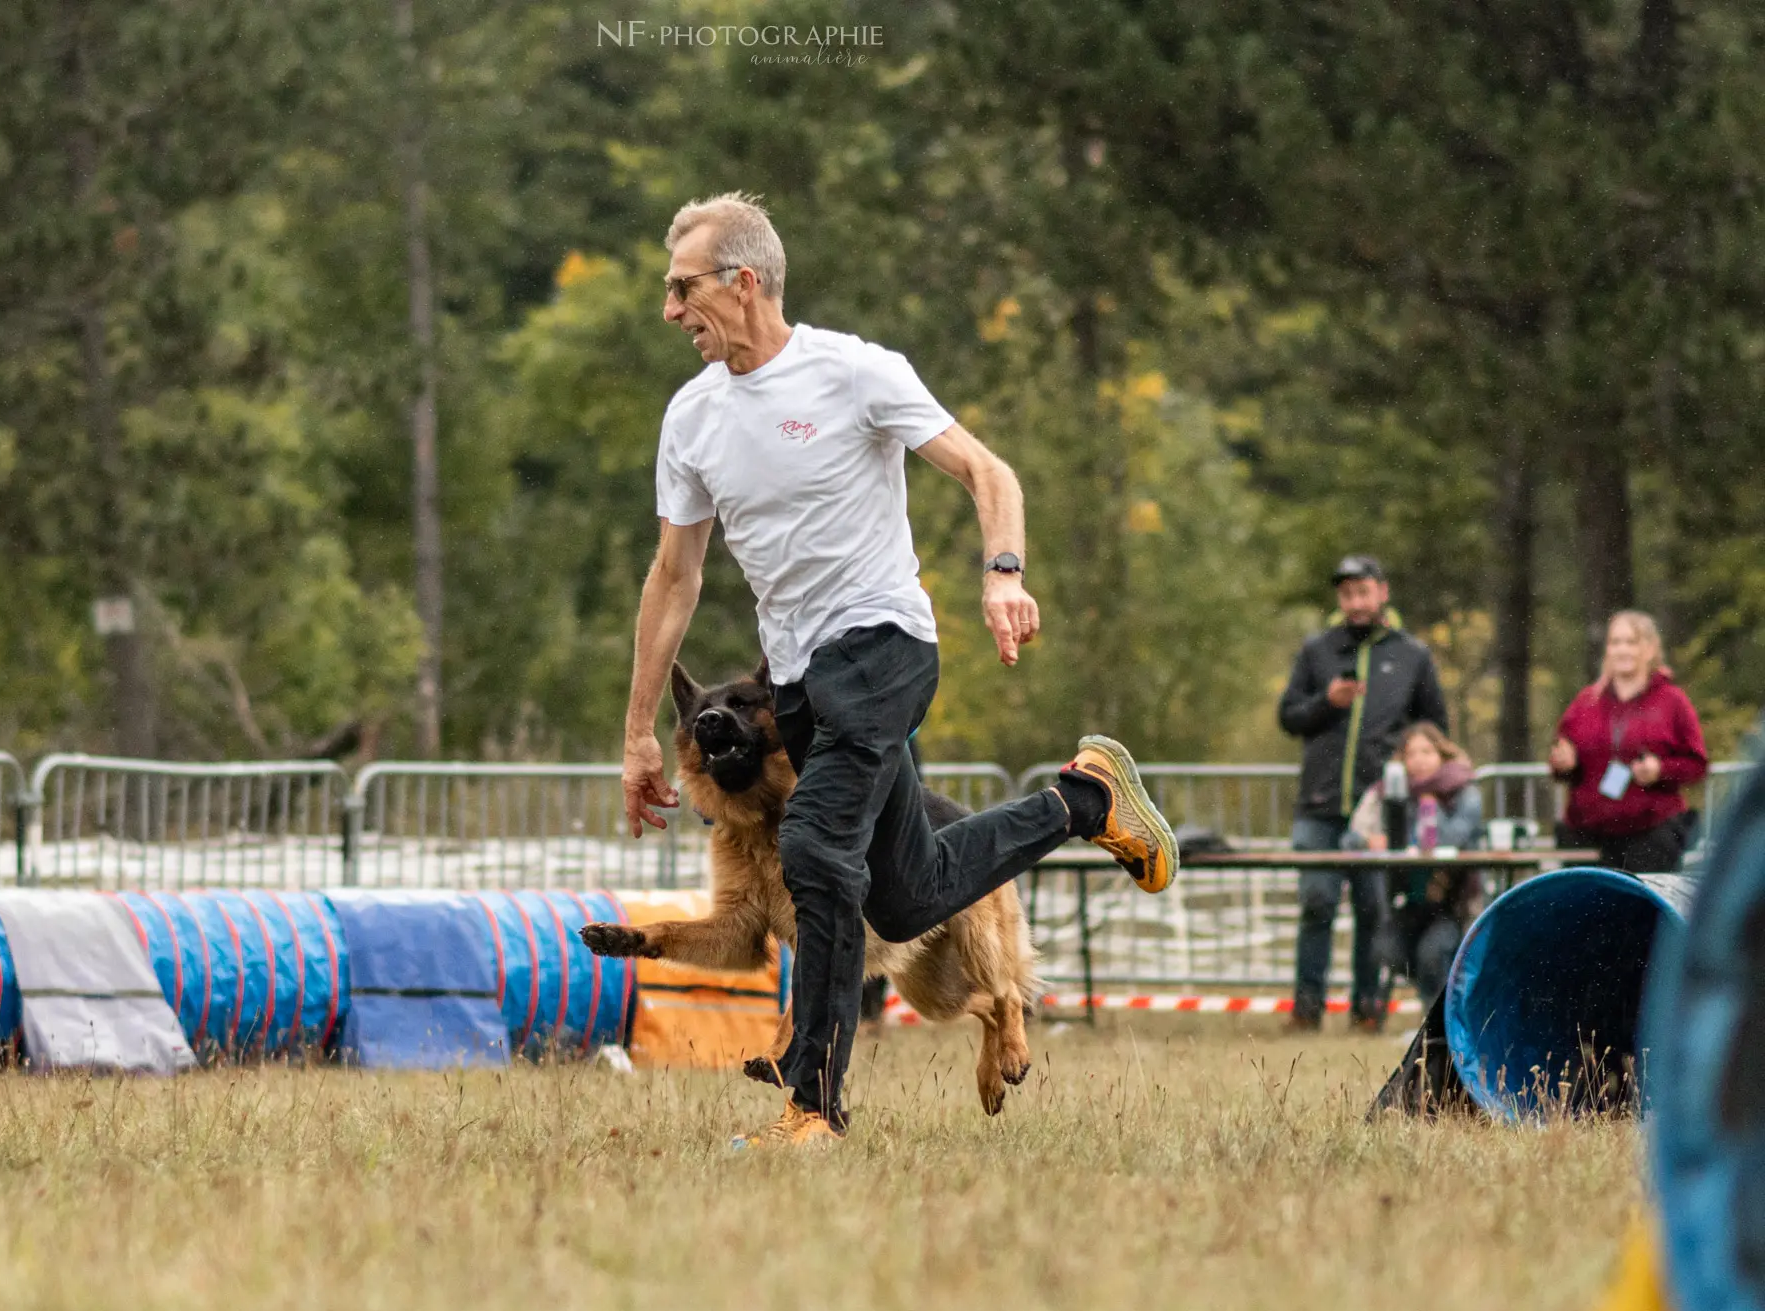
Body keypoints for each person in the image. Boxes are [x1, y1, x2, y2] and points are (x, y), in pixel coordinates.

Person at [616, 193, 1178, 1146]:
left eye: (683, 288)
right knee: (908, 895)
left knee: (815, 850)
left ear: (743, 282)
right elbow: (676, 575)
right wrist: (636, 731)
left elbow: (989, 473)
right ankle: (1088, 803)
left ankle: (816, 1105)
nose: (671, 311)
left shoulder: (855, 371)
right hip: (795, 686)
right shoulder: (692, 416)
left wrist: (1004, 575)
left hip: (883, 648)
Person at [1277, 556, 1448, 1032]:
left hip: (1380, 813)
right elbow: (1288, 716)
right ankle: (1306, 1010)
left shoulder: (1412, 655)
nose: (1355, 602)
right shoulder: (1317, 651)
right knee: (1316, 905)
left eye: (1363, 591)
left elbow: (1436, 729)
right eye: (1346, 593)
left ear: (1382, 592)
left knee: (1374, 911)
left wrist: (1413, 773)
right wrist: (1323, 704)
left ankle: (1367, 1010)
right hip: (1320, 805)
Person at [1549, 610, 1709, 873]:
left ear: (1649, 649)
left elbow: (1697, 764)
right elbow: (1560, 760)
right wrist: (1564, 763)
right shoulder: (1586, 701)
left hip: (1650, 832)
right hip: (1588, 832)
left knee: (1638, 910)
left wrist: (1661, 770)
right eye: (1615, 642)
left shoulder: (1672, 701)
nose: (1622, 650)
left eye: (1631, 642)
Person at [1348, 722, 1482, 1008]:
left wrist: (1429, 805)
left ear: (1442, 755)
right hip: (1406, 903)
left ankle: (1438, 1023)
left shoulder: (1464, 792)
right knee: (1385, 950)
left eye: (1426, 751)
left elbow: (1455, 837)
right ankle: (1430, 1007)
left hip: (1453, 905)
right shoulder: (1388, 792)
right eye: (1410, 754)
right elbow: (1352, 836)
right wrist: (1370, 840)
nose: (1418, 760)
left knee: (1433, 953)